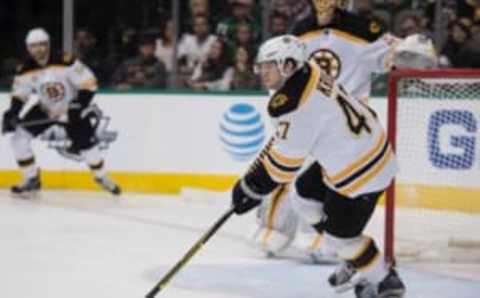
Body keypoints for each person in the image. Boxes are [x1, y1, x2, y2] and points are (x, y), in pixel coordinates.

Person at [250, 0, 437, 266]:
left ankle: (323, 236)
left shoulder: (361, 29)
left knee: (329, 181)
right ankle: (274, 225)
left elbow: (396, 53)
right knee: (286, 170)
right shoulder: (301, 30)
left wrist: (408, 51)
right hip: (306, 115)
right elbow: (286, 70)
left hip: (343, 129)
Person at [231, 35, 406, 298]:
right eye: (262, 65)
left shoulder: (294, 105)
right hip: (364, 150)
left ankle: (384, 280)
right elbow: (290, 141)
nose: (263, 71)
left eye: (269, 65)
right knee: (302, 194)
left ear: (289, 65)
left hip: (361, 172)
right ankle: (353, 255)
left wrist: (251, 188)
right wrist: (255, 179)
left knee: (339, 239)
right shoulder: (310, 70)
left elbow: (284, 167)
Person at [1, 28, 121, 196]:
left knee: (88, 148)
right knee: (19, 139)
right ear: (28, 48)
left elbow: (89, 83)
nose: (38, 50)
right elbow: (20, 94)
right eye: (34, 46)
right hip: (45, 109)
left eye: (42, 45)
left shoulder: (66, 61)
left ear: (48, 45)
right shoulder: (25, 69)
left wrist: (78, 105)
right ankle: (32, 178)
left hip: (70, 109)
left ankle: (101, 177)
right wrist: (12, 113)